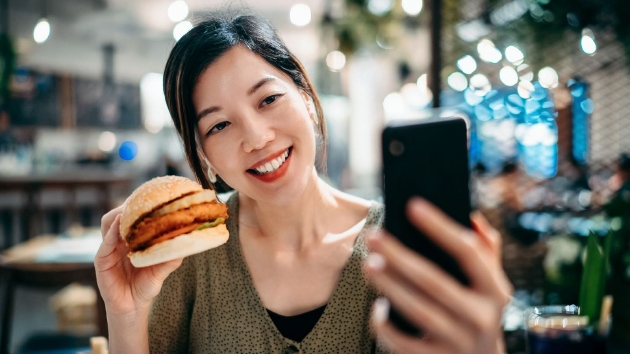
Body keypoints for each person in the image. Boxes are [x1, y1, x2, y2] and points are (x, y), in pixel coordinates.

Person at [96, 9, 512, 354]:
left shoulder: (398, 247)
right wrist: (125, 315)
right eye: (220, 125)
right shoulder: (188, 256)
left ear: (307, 99)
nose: (257, 137)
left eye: (269, 99)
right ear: (203, 154)